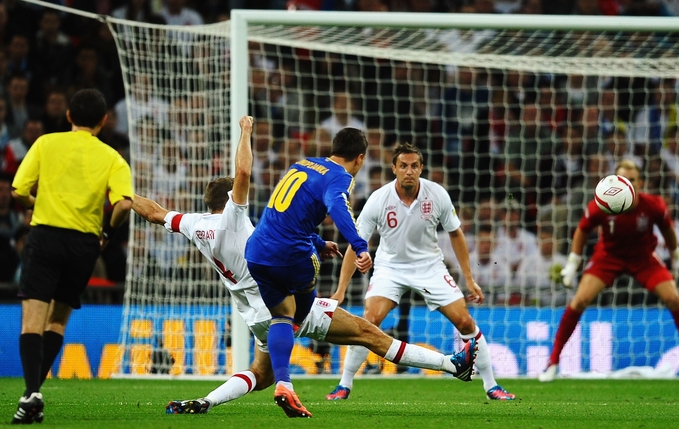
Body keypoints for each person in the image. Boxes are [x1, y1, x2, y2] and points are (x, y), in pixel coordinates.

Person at [132, 117, 478, 416]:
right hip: (283, 282)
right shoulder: (239, 216)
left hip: (255, 306)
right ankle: (452, 365)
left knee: (259, 373)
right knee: (367, 332)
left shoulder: (196, 224)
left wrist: (123, 195)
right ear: (359, 157)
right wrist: (358, 245)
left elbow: (155, 212)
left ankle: (208, 401)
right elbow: (256, 179)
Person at [327, 143, 516, 402]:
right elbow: (355, 244)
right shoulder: (378, 199)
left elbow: (456, 234)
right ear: (394, 169)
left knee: (464, 322)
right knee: (369, 320)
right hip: (390, 268)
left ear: (421, 168)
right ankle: (344, 385)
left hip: (430, 267)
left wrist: (469, 279)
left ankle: (491, 385)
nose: (409, 171)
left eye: (414, 166)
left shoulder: (436, 194)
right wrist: (340, 290)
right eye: (403, 166)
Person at [9, 88, 133, 424]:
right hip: (84, 245)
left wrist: (38, 205)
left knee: (32, 320)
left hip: (45, 236)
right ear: (103, 121)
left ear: (68, 117)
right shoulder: (112, 157)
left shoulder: (46, 144)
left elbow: (19, 190)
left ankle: (32, 392)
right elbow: (123, 203)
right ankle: (30, 396)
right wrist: (107, 232)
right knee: (58, 320)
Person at [538, 159, 679, 382]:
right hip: (608, 257)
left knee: (673, 299)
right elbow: (582, 231)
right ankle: (552, 361)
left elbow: (668, 230)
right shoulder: (601, 204)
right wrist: (573, 263)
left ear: (639, 183)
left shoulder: (653, 205)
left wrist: (676, 257)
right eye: (622, 179)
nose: (626, 184)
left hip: (643, 258)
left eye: (631, 180)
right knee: (580, 300)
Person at [244, 126, 377, 418]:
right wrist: (360, 245)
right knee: (303, 301)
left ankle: (284, 383)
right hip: (290, 255)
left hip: (256, 252)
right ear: (360, 158)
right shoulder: (341, 176)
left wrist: (318, 240)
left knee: (282, 314)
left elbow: (287, 213)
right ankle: (301, 335)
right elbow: (337, 206)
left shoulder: (303, 163)